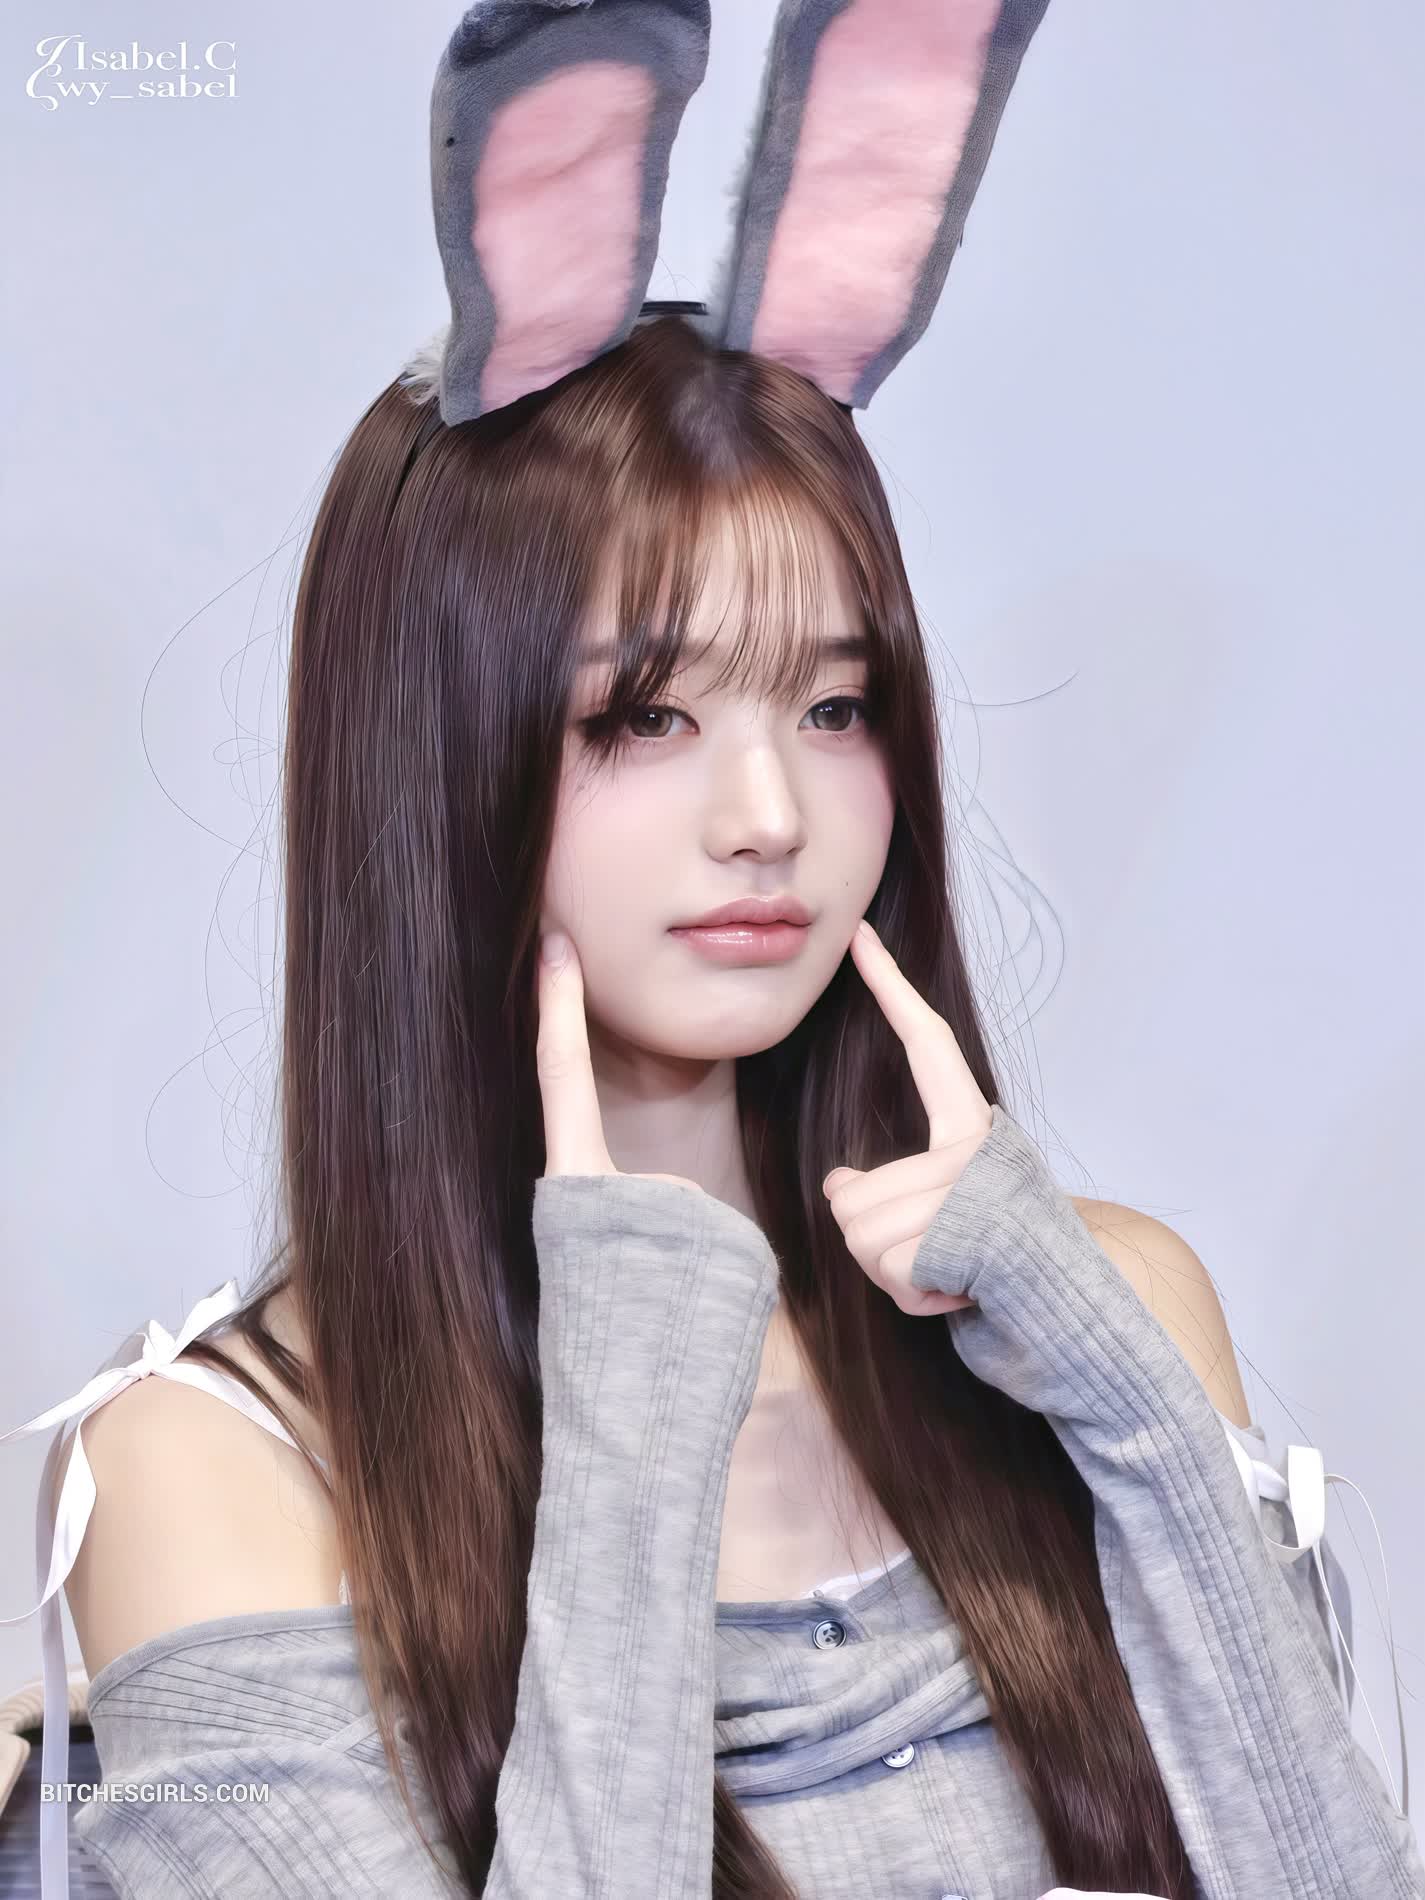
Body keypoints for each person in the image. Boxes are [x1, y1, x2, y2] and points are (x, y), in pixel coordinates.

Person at [4, 2, 1420, 1897]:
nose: (769, 813)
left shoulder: (1105, 1309)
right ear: (433, 766)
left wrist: (1131, 1407)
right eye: (644, 717)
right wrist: (634, 1371)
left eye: (835, 708)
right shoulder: (221, 1467)